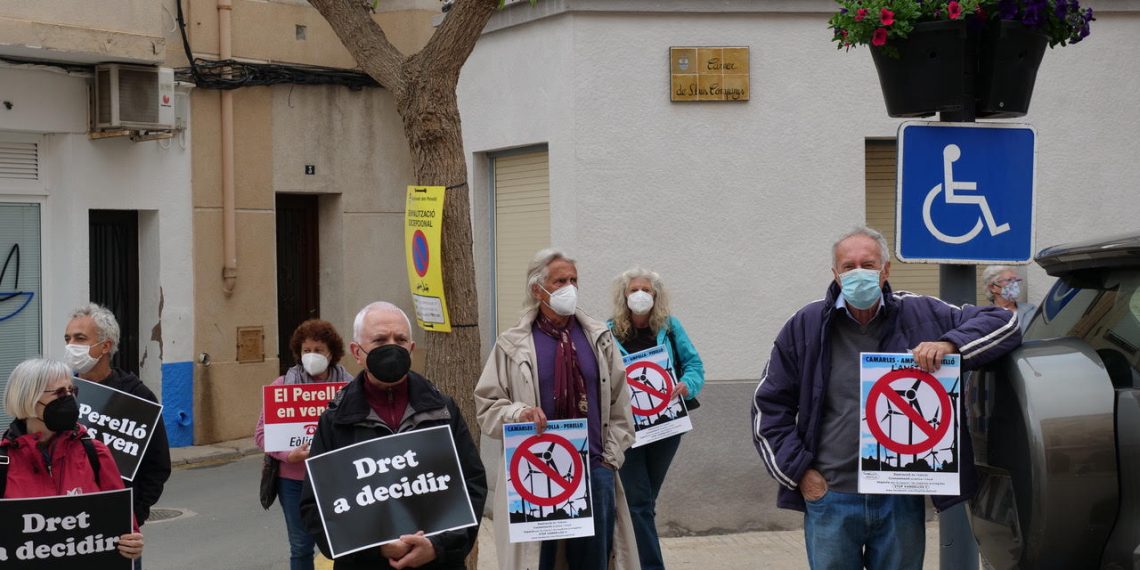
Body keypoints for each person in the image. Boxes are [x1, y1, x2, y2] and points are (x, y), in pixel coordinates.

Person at [751, 226, 1022, 569]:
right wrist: (801, 474)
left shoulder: (922, 313)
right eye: (848, 267)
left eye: (868, 264)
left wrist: (951, 344)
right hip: (830, 496)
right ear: (835, 273)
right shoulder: (805, 325)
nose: (858, 273)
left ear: (886, 270)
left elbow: (1005, 323)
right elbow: (768, 407)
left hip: (900, 496)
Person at [474, 248, 639, 570]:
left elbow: (621, 403)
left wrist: (610, 458)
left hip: (594, 469)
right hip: (536, 474)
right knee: (541, 562)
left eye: (573, 280)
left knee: (593, 562)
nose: (569, 288)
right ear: (538, 289)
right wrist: (518, 413)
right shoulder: (513, 344)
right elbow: (487, 408)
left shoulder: (598, 338)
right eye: (560, 281)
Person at [299, 302, 486, 569]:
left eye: (400, 340)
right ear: (357, 352)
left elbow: (472, 484)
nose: (392, 347)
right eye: (379, 340)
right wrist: (376, 548)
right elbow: (316, 506)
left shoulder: (443, 410)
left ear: (411, 348)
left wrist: (437, 546)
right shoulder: (335, 421)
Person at [607, 266, 704, 570]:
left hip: (667, 427)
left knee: (644, 502)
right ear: (624, 295)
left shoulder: (670, 327)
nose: (640, 295)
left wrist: (687, 384)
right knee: (638, 502)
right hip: (628, 428)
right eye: (634, 289)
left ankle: (629, 559)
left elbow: (694, 365)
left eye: (646, 290)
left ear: (656, 295)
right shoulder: (609, 331)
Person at [1, 358, 145, 562]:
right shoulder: (3, 462)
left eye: (72, 391)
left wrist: (132, 545)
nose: (69, 399)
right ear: (29, 398)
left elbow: (124, 525)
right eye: (60, 393)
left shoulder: (95, 452)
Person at [64, 303, 171, 570]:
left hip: (118, 528)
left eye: (80, 338)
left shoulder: (137, 397)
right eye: (68, 338)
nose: (71, 346)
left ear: (105, 346)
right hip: (64, 524)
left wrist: (134, 514)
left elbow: (157, 466)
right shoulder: (59, 392)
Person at [255, 319, 352, 570]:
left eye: (318, 350)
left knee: (345, 544)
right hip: (294, 481)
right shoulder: (282, 386)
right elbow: (262, 434)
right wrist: (288, 455)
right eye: (306, 350)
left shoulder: (349, 388)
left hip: (337, 479)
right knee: (300, 547)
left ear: (331, 353)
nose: (311, 355)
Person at [983, 265, 1037, 334]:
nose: (1015, 284)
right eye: (1009, 280)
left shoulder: (1031, 310)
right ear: (993, 288)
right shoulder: (985, 316)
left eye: (1016, 280)